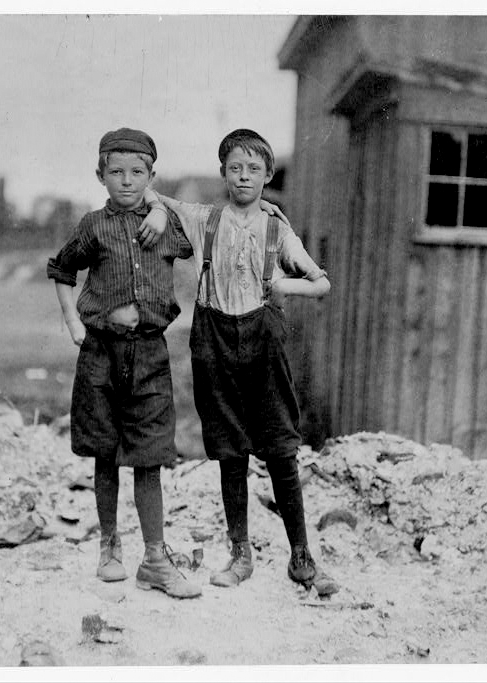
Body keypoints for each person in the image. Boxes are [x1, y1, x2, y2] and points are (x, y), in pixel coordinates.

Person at [140, 128, 339, 596]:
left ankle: (302, 558)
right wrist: (155, 208)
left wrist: (284, 285)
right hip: (213, 341)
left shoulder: (277, 229)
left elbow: (321, 283)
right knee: (230, 450)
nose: (244, 176)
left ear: (268, 175)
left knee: (280, 448)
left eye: (253, 168)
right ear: (223, 173)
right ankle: (240, 554)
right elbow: (152, 192)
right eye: (235, 168)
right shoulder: (203, 219)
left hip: (264, 340)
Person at [46, 127, 201, 599]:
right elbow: (62, 268)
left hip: (150, 353)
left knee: (149, 457)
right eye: (116, 172)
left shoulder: (166, 225)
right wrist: (73, 322)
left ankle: (154, 560)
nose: (127, 181)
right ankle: (109, 547)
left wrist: (159, 208)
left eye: (138, 172)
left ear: (151, 176)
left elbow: (197, 233)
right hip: (101, 353)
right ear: (101, 176)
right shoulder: (93, 225)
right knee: (105, 452)